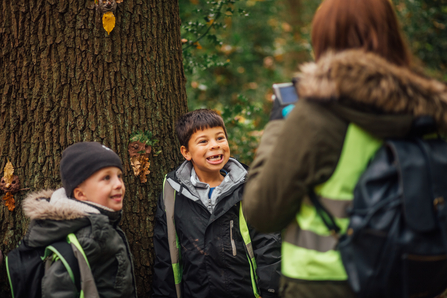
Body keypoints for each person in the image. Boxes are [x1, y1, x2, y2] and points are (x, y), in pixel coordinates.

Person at [242, 0, 447, 297]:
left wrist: (277, 126)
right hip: (414, 274)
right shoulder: (427, 112)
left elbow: (263, 212)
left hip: (327, 283)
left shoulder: (318, 116)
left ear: (324, 41)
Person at [152, 109, 281, 298]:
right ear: (186, 152)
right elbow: (165, 256)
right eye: (203, 141)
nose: (215, 145)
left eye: (220, 138)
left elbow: (268, 244)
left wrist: (271, 291)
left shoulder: (249, 186)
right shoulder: (172, 191)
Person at [22, 142, 136, 297]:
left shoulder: (101, 225)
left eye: (119, 176)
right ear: (81, 194)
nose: (118, 184)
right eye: (106, 177)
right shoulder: (88, 236)